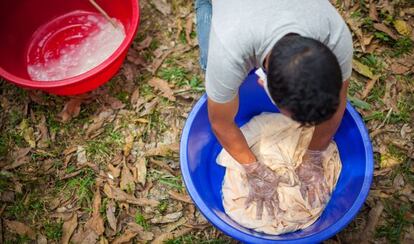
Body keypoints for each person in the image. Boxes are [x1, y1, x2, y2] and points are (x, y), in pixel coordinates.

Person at [195, 0, 353, 219]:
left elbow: (338, 102)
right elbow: (220, 123)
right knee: (211, 68)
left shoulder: (335, 36)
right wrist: (253, 170)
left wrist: (314, 155)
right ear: (263, 84)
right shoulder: (227, 52)